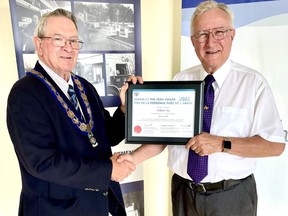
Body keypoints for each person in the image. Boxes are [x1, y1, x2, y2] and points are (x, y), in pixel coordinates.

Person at [117, 1, 286, 216]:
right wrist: (133, 158)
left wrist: (221, 143)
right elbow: (165, 137)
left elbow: (275, 145)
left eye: (219, 32)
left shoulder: (253, 84)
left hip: (231, 197)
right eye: (202, 34)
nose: (210, 41)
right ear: (193, 41)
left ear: (232, 35)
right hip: (183, 193)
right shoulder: (181, 79)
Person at [7, 8, 141, 216]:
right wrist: (109, 170)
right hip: (56, 210)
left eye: (74, 41)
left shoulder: (84, 86)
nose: (68, 48)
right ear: (38, 44)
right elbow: (42, 162)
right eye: (58, 39)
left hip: (98, 204)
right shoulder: (25, 93)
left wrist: (125, 108)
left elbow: (107, 136)